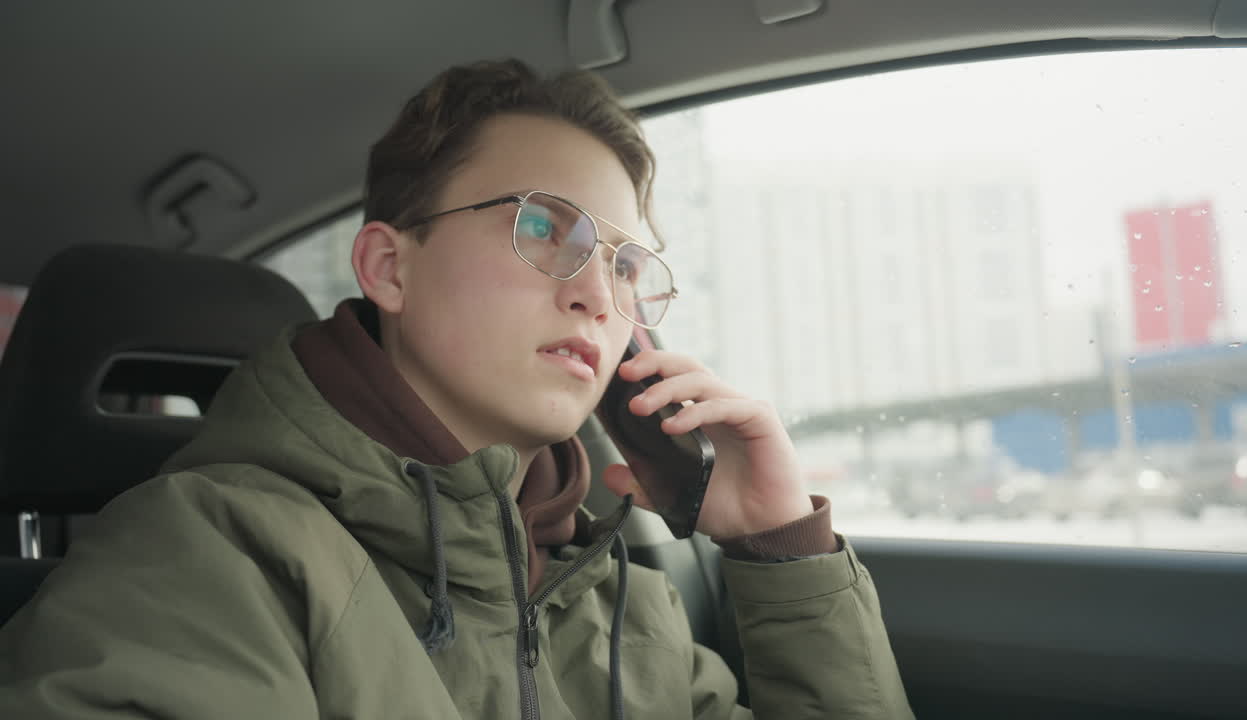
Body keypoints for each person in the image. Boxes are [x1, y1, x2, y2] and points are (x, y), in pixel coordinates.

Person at [0, 59, 913, 719]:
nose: (600, 293)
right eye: (545, 228)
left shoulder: (620, 598)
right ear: (390, 268)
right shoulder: (211, 562)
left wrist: (779, 548)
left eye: (628, 265)